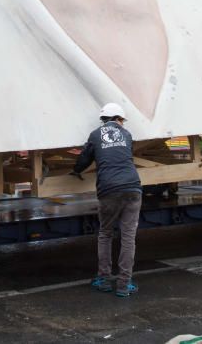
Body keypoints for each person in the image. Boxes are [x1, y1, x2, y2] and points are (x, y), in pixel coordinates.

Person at [72, 103, 142, 298]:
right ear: (119, 119)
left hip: (109, 189)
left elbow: (85, 158)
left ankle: (103, 279)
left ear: (103, 119)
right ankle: (123, 285)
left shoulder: (95, 135)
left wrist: (76, 170)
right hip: (132, 187)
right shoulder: (127, 135)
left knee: (105, 233)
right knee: (128, 237)